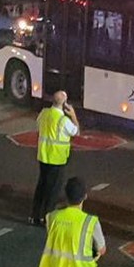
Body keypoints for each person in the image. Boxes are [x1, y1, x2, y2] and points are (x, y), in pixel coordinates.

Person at [30, 91, 80, 226]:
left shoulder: (44, 113)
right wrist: (73, 115)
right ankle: (47, 218)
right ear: (64, 104)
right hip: (57, 159)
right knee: (53, 190)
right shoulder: (63, 121)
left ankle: (35, 215)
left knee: (41, 185)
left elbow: (38, 127)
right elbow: (77, 131)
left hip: (43, 156)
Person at [39, 177, 106, 267]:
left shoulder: (52, 217)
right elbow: (102, 250)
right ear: (85, 196)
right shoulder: (90, 222)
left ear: (66, 195)